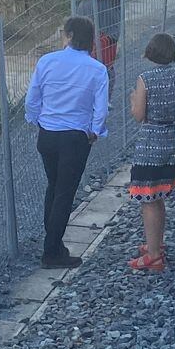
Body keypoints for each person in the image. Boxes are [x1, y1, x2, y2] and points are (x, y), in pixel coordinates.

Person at [24, 17, 109, 268]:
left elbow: (32, 98)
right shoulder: (97, 69)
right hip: (75, 138)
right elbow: (101, 108)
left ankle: (53, 243)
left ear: (69, 35)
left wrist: (37, 119)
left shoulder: (47, 61)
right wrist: (95, 131)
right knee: (64, 192)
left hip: (48, 134)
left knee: (53, 187)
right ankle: (51, 252)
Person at [127, 33, 175, 274]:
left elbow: (139, 115)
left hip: (150, 146)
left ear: (150, 53)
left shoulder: (145, 79)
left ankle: (154, 256)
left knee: (148, 201)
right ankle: (156, 243)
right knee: (159, 198)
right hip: (173, 145)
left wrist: (133, 99)